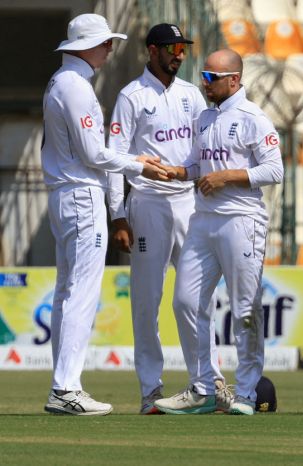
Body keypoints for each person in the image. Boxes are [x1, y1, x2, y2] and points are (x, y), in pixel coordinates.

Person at [41, 13, 168, 415]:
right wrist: (139, 164)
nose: (110, 48)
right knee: (81, 292)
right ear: (84, 46)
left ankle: (64, 385)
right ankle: (65, 388)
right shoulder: (74, 86)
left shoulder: (64, 82)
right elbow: (94, 154)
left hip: (68, 194)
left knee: (68, 293)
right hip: (80, 195)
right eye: (104, 42)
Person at [107, 23, 231, 415]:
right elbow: (115, 159)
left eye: (183, 48)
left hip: (189, 203)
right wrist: (118, 215)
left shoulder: (192, 95)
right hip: (147, 204)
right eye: (173, 47)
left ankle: (208, 381)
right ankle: (150, 390)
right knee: (147, 300)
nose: (180, 54)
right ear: (152, 50)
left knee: (195, 297)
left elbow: (205, 147)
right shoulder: (131, 96)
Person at [153, 49, 283, 415]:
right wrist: (177, 172)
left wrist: (226, 177)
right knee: (185, 302)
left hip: (242, 221)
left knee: (244, 309)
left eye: (211, 78)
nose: (204, 83)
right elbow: (199, 163)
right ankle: (202, 387)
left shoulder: (253, 118)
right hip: (203, 219)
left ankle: (245, 392)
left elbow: (274, 171)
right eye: (204, 77)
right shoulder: (206, 117)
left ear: (234, 80)